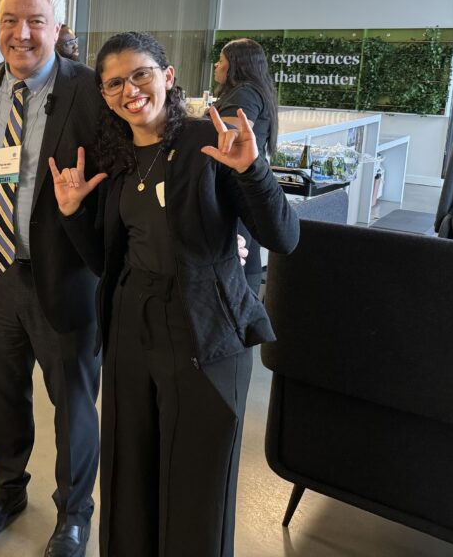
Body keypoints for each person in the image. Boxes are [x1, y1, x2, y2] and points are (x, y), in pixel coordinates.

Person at [49, 31, 299, 557]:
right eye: (114, 83)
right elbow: (105, 259)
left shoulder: (208, 143)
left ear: (167, 76)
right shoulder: (115, 159)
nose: (129, 90)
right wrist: (72, 214)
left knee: (197, 484)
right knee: (130, 469)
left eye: (140, 74)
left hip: (204, 329)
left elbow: (285, 237)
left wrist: (253, 172)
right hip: (131, 324)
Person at [0, 0, 105, 557]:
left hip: (65, 275)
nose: (22, 34)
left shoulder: (92, 91)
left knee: (71, 401)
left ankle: (74, 512)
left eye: (35, 21)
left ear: (58, 27)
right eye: (10, 22)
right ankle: (7, 486)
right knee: (3, 391)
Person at [212, 37, 279, 294]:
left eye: (221, 61)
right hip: (244, 185)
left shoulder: (245, 93)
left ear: (235, 66)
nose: (216, 66)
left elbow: (229, 136)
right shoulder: (254, 90)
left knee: (238, 254)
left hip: (236, 184)